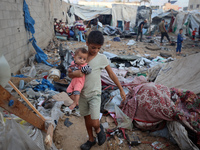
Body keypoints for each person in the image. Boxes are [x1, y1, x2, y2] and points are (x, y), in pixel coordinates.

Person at [68, 31, 126, 150]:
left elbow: (111, 74)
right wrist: (76, 73)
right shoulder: (81, 56)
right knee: (87, 119)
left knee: (94, 122)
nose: (95, 50)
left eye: (98, 48)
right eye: (93, 47)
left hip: (95, 94)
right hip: (82, 95)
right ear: (87, 43)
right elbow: (69, 74)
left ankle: (99, 129)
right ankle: (91, 139)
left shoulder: (101, 58)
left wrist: (121, 89)